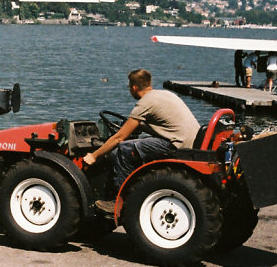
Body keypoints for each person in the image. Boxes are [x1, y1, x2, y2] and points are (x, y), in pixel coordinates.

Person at [82, 69, 201, 207]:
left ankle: (119, 201)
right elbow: (154, 125)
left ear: (134, 87)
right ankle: (138, 187)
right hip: (191, 141)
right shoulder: (165, 94)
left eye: (129, 87)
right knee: (137, 146)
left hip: (177, 144)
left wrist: (95, 155)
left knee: (125, 148)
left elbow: (119, 138)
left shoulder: (145, 103)